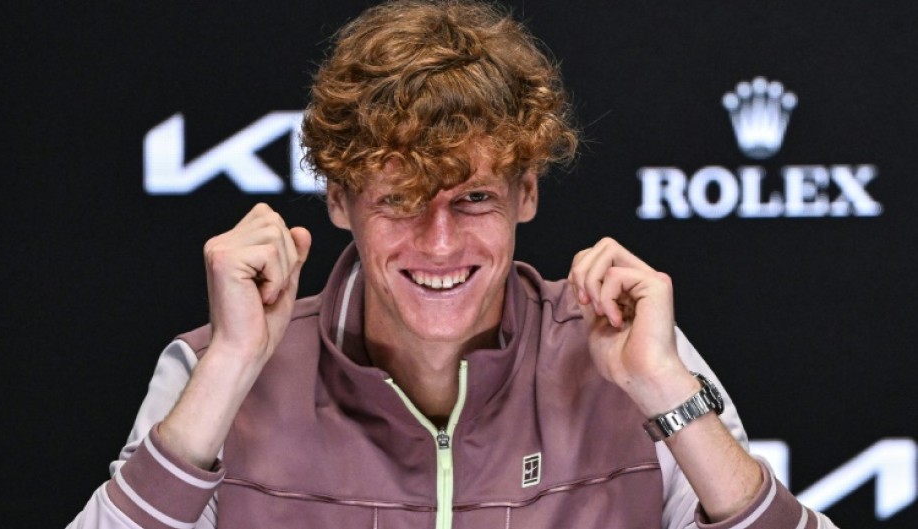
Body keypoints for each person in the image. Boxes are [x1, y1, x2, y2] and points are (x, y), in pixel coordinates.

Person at [70, 1, 838, 528]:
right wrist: (234, 363)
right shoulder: (212, 370)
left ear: (526, 193)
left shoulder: (629, 360)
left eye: (472, 197)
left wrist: (667, 391)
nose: (440, 243)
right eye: (400, 198)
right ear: (338, 201)